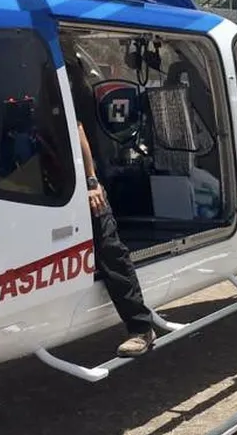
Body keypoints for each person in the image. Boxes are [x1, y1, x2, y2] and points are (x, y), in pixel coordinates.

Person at [66, 57, 172, 358]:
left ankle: (141, 327)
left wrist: (90, 182)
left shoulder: (61, 85)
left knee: (109, 250)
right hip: (54, 183)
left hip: (85, 182)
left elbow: (78, 132)